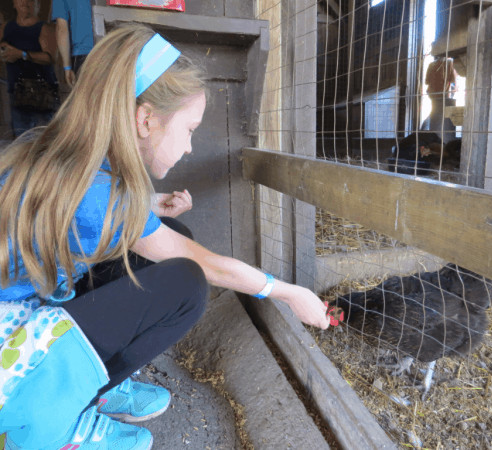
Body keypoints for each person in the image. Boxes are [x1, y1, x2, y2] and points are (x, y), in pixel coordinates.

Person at [0, 22, 329, 450]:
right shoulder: (102, 197)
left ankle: (86, 385)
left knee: (169, 236)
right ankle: (50, 420)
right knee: (186, 283)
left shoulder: (57, 152)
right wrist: (287, 292)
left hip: (21, 307)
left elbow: (91, 213)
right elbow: (206, 265)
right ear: (145, 118)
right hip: (11, 356)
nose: (191, 146)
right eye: (190, 129)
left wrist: (152, 206)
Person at [0, 0, 58, 137]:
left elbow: (51, 58)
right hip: (17, 93)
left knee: (48, 139)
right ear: (14, 3)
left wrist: (22, 54)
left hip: (43, 92)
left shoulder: (45, 28)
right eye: (21, 0)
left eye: (30, 0)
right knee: (23, 140)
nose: (25, 3)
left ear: (36, 4)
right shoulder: (6, 27)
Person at [52, 0, 93, 87]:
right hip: (118, 47)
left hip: (84, 56)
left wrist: (67, 67)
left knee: (88, 98)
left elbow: (61, 28)